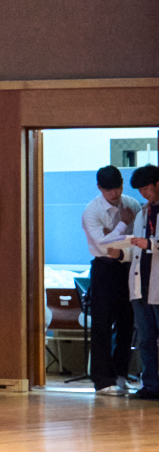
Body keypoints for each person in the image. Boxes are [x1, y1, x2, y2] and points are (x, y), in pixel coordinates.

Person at [82, 165, 143, 395]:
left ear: (122, 184)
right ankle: (103, 380)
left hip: (129, 266)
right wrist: (121, 227)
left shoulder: (133, 204)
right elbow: (103, 246)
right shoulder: (92, 211)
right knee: (102, 324)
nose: (114, 193)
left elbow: (138, 241)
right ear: (99, 188)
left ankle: (120, 375)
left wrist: (115, 239)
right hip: (104, 269)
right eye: (108, 190)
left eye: (117, 188)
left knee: (127, 322)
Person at [131, 165, 159, 401]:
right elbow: (136, 246)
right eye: (140, 190)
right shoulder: (143, 212)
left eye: (147, 189)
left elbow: (149, 243)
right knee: (145, 338)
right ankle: (150, 385)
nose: (144, 194)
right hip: (142, 283)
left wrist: (150, 244)